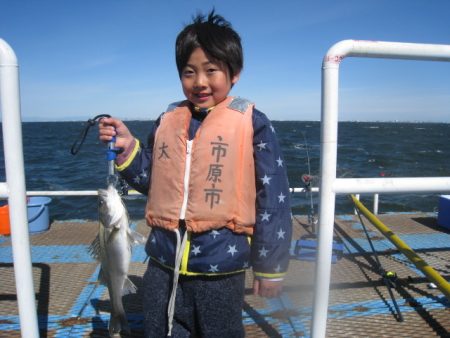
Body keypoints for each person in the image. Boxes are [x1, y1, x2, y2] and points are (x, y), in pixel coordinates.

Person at [98, 10, 292, 338]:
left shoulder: (254, 123)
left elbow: (273, 199)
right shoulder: (168, 120)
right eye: (189, 72)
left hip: (221, 267)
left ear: (235, 73)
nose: (199, 82)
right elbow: (153, 181)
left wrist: (270, 266)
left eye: (211, 70)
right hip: (162, 262)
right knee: (159, 330)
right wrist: (128, 148)